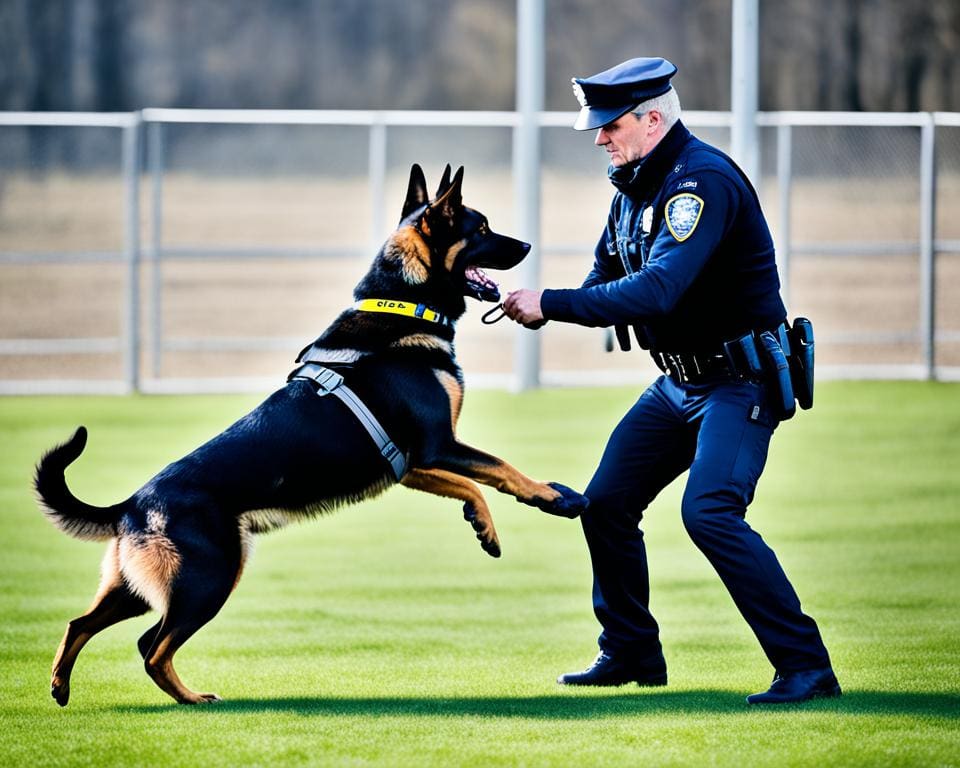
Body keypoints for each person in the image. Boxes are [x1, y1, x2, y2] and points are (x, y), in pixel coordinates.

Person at [503, 57, 839, 705]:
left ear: (654, 120)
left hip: (740, 382)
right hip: (678, 385)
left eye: (611, 125)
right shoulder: (633, 187)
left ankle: (807, 667)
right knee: (604, 503)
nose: (600, 137)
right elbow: (606, 280)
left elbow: (658, 290)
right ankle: (631, 652)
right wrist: (530, 301)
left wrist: (551, 301)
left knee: (710, 511)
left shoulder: (698, 183)